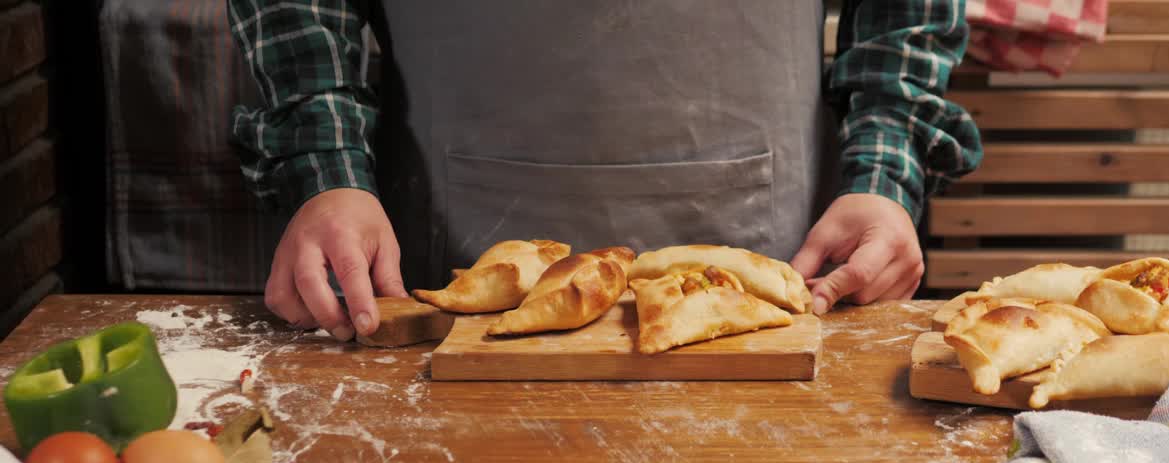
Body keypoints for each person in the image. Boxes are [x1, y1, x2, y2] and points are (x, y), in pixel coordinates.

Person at [228, 1, 982, 341]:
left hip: (781, 275)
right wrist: (325, 171)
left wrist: (881, 180)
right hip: (435, 282)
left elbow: (902, 15)